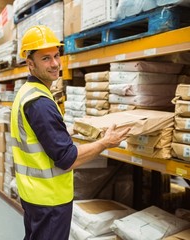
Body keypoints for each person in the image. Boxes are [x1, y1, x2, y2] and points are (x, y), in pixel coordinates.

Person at [10, 25, 131, 240]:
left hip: (34, 193)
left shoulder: (28, 93)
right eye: (45, 58)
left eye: (57, 56)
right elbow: (66, 159)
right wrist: (105, 142)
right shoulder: (40, 102)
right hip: (50, 199)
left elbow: (36, 134)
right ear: (30, 64)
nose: (55, 63)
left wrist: (68, 129)